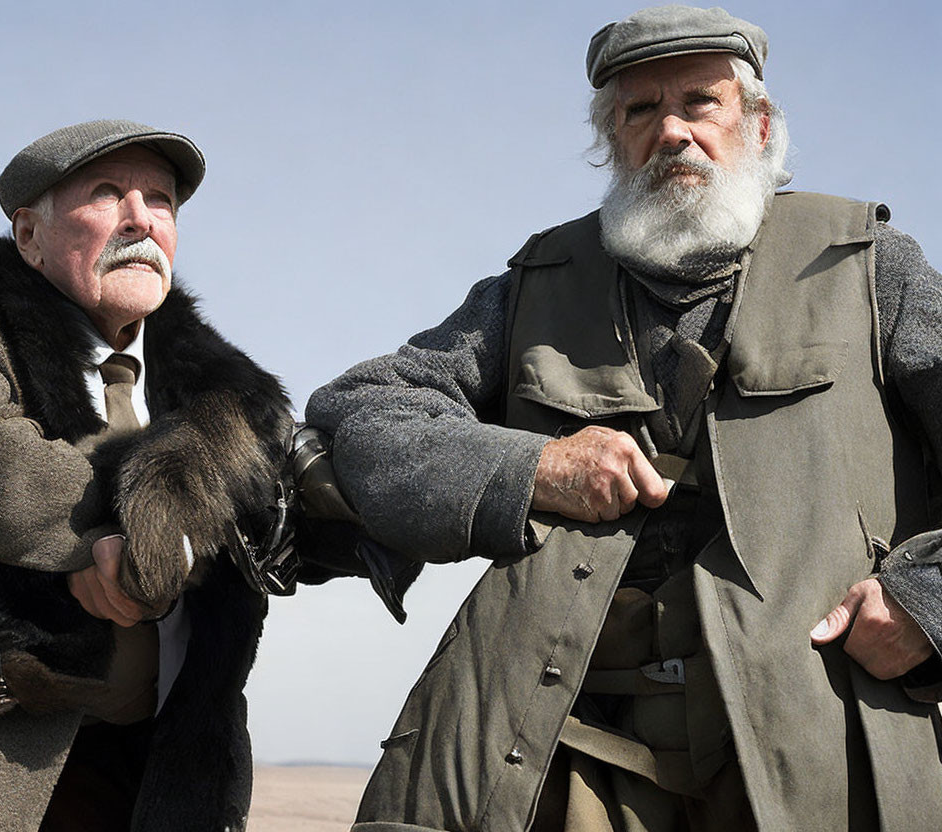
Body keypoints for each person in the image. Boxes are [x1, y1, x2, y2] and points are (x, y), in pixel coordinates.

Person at [306, 6, 942, 830]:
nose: (672, 131)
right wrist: (532, 469)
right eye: (641, 111)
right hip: (574, 752)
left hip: (814, 745)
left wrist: (929, 602)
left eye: (699, 102)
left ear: (758, 123)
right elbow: (366, 407)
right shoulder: (536, 284)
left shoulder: (863, 263)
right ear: (612, 139)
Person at [0, 120, 293, 831]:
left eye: (161, 201)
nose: (140, 220)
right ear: (30, 235)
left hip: (157, 776)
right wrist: (139, 527)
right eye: (108, 193)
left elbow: (278, 515)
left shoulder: (223, 392)